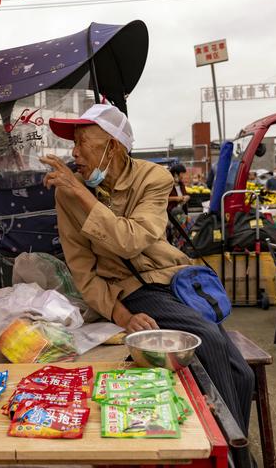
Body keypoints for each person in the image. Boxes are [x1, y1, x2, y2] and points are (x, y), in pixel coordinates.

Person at [40, 103, 254, 439]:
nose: (74, 152)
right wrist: (121, 314)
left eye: (83, 142)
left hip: (171, 280)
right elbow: (81, 267)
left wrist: (82, 193)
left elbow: (131, 240)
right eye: (74, 143)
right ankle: (230, 454)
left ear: (113, 146)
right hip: (133, 291)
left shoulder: (154, 177)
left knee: (243, 374)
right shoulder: (68, 194)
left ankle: (233, 453)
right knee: (209, 340)